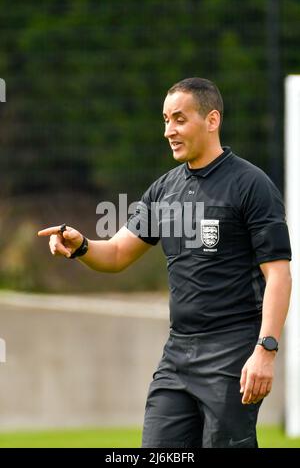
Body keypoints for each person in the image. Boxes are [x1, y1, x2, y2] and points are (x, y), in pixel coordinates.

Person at [38, 77, 292, 448]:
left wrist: (265, 350)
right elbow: (118, 253)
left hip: (231, 354)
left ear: (212, 120)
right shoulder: (163, 189)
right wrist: (82, 246)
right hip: (177, 354)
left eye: (179, 119)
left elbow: (279, 276)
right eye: (165, 120)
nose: (168, 131)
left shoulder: (251, 185)